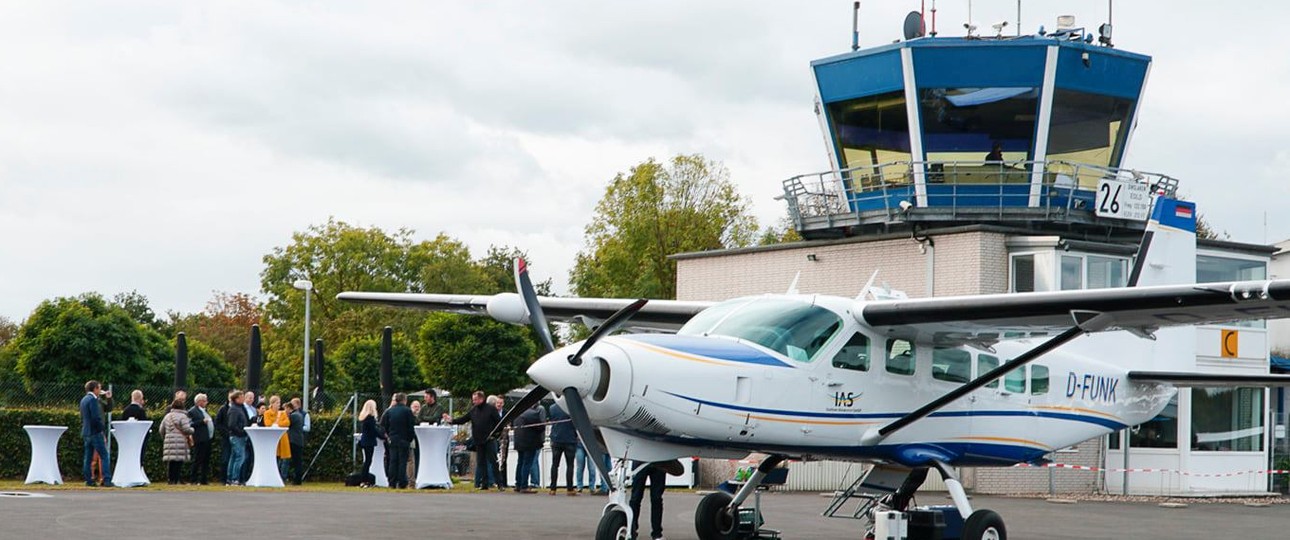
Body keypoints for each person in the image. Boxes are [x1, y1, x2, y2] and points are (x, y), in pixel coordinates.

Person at [446, 390, 501, 491]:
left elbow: (499, 422)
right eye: (473, 400)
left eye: (475, 399)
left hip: (489, 439)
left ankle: (499, 483)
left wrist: (496, 434)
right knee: (481, 462)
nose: (474, 402)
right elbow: (464, 419)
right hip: (478, 440)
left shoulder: (491, 409)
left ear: (481, 399)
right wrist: (452, 421)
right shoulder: (473, 410)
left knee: (493, 461)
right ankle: (484, 484)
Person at [79, 380, 112, 487]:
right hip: (95, 432)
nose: (100, 390)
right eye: (99, 388)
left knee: (88, 457)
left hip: (86, 431)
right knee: (104, 455)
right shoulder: (93, 400)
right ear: (95, 389)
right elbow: (95, 417)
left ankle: (89, 479)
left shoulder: (84, 400)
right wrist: (101, 429)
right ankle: (107, 479)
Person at [381, 392, 416, 489]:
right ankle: (402, 482)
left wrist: (389, 435)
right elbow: (410, 426)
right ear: (404, 400)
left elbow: (384, 425)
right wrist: (409, 438)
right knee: (402, 461)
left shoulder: (389, 411)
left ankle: (391, 482)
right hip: (404, 439)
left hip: (393, 438)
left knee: (393, 461)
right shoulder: (407, 411)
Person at [629, 461, 668, 540]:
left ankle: (657, 533)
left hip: (659, 461)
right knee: (636, 498)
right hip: (640, 460)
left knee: (656, 499)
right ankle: (632, 530)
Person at [159, 398, 194, 485]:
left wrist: (166, 437)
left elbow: (161, 430)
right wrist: (192, 430)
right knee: (179, 461)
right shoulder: (183, 416)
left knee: (171, 462)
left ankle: (170, 479)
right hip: (180, 441)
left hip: (169, 440)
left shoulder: (167, 416)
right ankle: (176, 479)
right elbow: (186, 429)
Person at [512, 403, 545, 493]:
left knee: (520, 463)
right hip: (529, 443)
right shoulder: (533, 414)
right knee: (527, 464)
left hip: (519, 442)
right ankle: (524, 485)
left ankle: (518, 484)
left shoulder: (517, 414)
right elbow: (541, 427)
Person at [547, 403, 578, 495]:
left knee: (555, 465)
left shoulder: (552, 407)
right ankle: (570, 488)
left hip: (556, 438)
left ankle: (553, 488)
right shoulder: (572, 407)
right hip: (570, 438)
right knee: (570, 465)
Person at [187, 393, 215, 485]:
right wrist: (201, 422)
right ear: (199, 402)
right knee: (198, 459)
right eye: (204, 400)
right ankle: (193, 479)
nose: (206, 402)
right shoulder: (192, 411)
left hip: (207, 439)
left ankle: (204, 479)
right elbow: (190, 424)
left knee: (206, 460)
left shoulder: (204, 411)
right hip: (199, 439)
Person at [357, 399, 385, 487]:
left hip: (365, 441)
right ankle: (364, 480)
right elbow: (374, 431)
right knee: (368, 461)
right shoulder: (370, 418)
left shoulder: (364, 418)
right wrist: (383, 436)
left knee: (367, 461)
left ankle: (364, 480)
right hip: (369, 441)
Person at [264, 395, 292, 481]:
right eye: (277, 403)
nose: (279, 404)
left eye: (279, 403)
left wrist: (276, 424)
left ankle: (283, 477)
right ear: (272, 404)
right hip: (272, 438)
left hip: (283, 437)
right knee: (274, 457)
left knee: (284, 458)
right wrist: (278, 423)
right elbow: (267, 423)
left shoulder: (282, 413)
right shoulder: (267, 413)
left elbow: (287, 423)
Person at [225, 390, 250, 486]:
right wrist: (241, 432)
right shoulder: (235, 409)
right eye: (242, 397)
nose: (243, 398)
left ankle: (230, 478)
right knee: (240, 457)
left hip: (238, 436)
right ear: (237, 399)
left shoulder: (239, 408)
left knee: (234, 457)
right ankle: (234, 478)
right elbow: (232, 424)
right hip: (237, 436)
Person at [213, 390, 234, 484]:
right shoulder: (223, 409)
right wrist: (225, 433)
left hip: (236, 436)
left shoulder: (239, 408)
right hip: (226, 437)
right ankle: (223, 479)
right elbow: (217, 423)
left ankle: (232, 478)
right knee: (225, 458)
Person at [491, 395, 509, 489]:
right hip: (495, 438)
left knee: (504, 460)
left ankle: (504, 482)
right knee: (495, 460)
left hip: (504, 438)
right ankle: (495, 481)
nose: (499, 405)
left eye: (501, 403)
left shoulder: (506, 413)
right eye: (498, 403)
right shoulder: (492, 412)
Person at [285, 401, 305, 485]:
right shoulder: (299, 415)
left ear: (289, 409)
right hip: (299, 440)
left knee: (296, 461)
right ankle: (298, 479)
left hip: (294, 440)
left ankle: (297, 480)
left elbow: (286, 424)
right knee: (298, 461)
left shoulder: (293, 416)